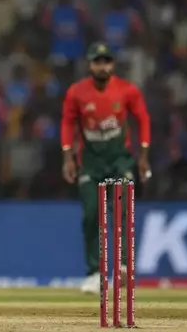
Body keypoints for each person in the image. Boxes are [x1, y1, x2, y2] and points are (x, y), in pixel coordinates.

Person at [60, 42, 151, 294]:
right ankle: (94, 273)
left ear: (113, 64)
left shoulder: (127, 90)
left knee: (121, 211)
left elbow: (143, 119)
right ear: (89, 65)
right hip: (90, 161)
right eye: (97, 61)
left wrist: (143, 155)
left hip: (120, 160)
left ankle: (122, 266)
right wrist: (67, 157)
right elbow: (67, 124)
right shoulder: (77, 92)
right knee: (91, 214)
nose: (102, 66)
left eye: (106, 61)